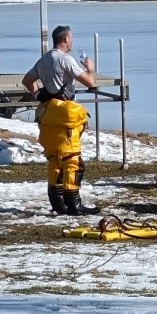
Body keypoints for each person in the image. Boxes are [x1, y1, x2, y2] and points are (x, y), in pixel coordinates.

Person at [21, 25, 96, 215]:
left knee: (54, 160)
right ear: (64, 40)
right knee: (72, 161)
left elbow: (27, 81)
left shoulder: (45, 58)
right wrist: (90, 69)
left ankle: (57, 203)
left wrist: (39, 94)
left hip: (49, 115)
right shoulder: (65, 60)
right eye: (71, 38)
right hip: (65, 117)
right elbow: (89, 82)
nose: (72, 41)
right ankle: (74, 204)